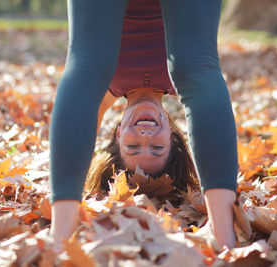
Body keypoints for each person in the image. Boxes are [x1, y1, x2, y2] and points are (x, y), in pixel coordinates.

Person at [49, 0, 238, 252]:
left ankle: (60, 238)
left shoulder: (100, 92)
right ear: (173, 135)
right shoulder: (187, 88)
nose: (145, 135)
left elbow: (81, 125)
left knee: (87, 63)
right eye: (157, 148)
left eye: (133, 146)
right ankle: (225, 238)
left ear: (117, 135)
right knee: (197, 67)